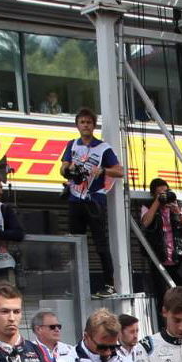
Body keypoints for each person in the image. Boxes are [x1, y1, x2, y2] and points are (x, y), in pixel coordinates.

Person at [59, 108, 123, 296]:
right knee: (75, 243)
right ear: (77, 125)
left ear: (93, 125)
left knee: (100, 243)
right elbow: (62, 168)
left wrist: (102, 171)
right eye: (82, 122)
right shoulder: (72, 145)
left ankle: (109, 284)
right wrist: (69, 169)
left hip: (95, 199)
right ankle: (75, 284)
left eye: (89, 122)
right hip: (75, 198)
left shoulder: (103, 148)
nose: (85, 125)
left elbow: (120, 171)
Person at [138, 178, 182, 310]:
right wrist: (157, 203)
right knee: (162, 298)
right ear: (154, 195)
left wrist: (177, 211)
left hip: (179, 258)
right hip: (158, 259)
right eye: (160, 193)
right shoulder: (147, 206)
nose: (164, 195)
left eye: (166, 192)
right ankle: (164, 326)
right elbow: (145, 222)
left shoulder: (178, 205)